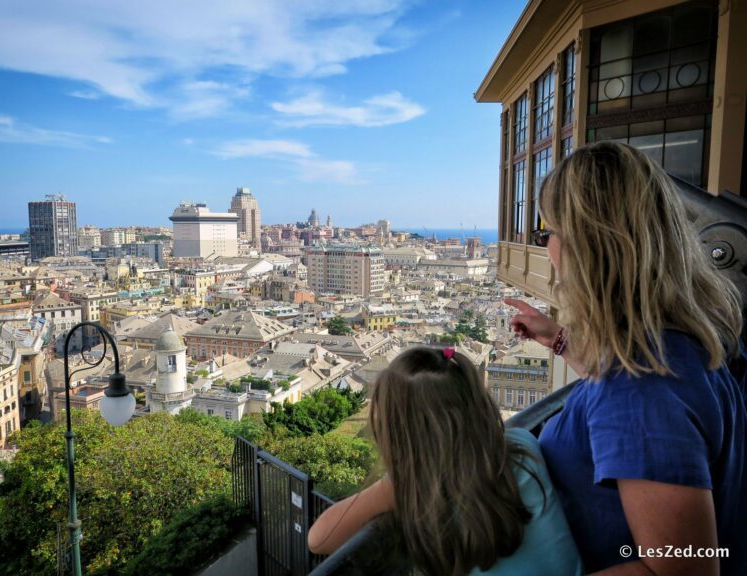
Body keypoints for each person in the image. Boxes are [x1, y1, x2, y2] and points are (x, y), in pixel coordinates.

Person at [506, 141, 746, 575]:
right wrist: (559, 340)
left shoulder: (643, 388)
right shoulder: (679, 343)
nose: (548, 248)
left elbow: (682, 569)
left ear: (589, 246)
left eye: (549, 233)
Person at [308, 346, 583, 576]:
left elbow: (318, 539)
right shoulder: (521, 443)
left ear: (397, 432)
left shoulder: (415, 482)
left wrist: (396, 482)